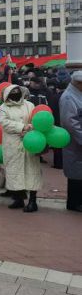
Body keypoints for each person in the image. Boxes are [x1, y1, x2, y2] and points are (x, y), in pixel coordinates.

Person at [0, 84, 40, 212]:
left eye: (17, 91)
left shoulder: (29, 105)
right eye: (13, 91)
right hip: (13, 144)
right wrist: (21, 127)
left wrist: (30, 128)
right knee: (15, 172)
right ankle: (19, 199)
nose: (15, 93)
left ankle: (33, 201)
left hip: (30, 142)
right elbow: (4, 122)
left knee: (32, 172)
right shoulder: (3, 108)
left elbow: (36, 119)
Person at [60, 71, 82, 212]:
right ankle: (74, 204)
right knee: (76, 174)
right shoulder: (69, 97)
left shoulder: (76, 94)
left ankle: (77, 202)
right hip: (75, 142)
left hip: (78, 141)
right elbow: (70, 123)